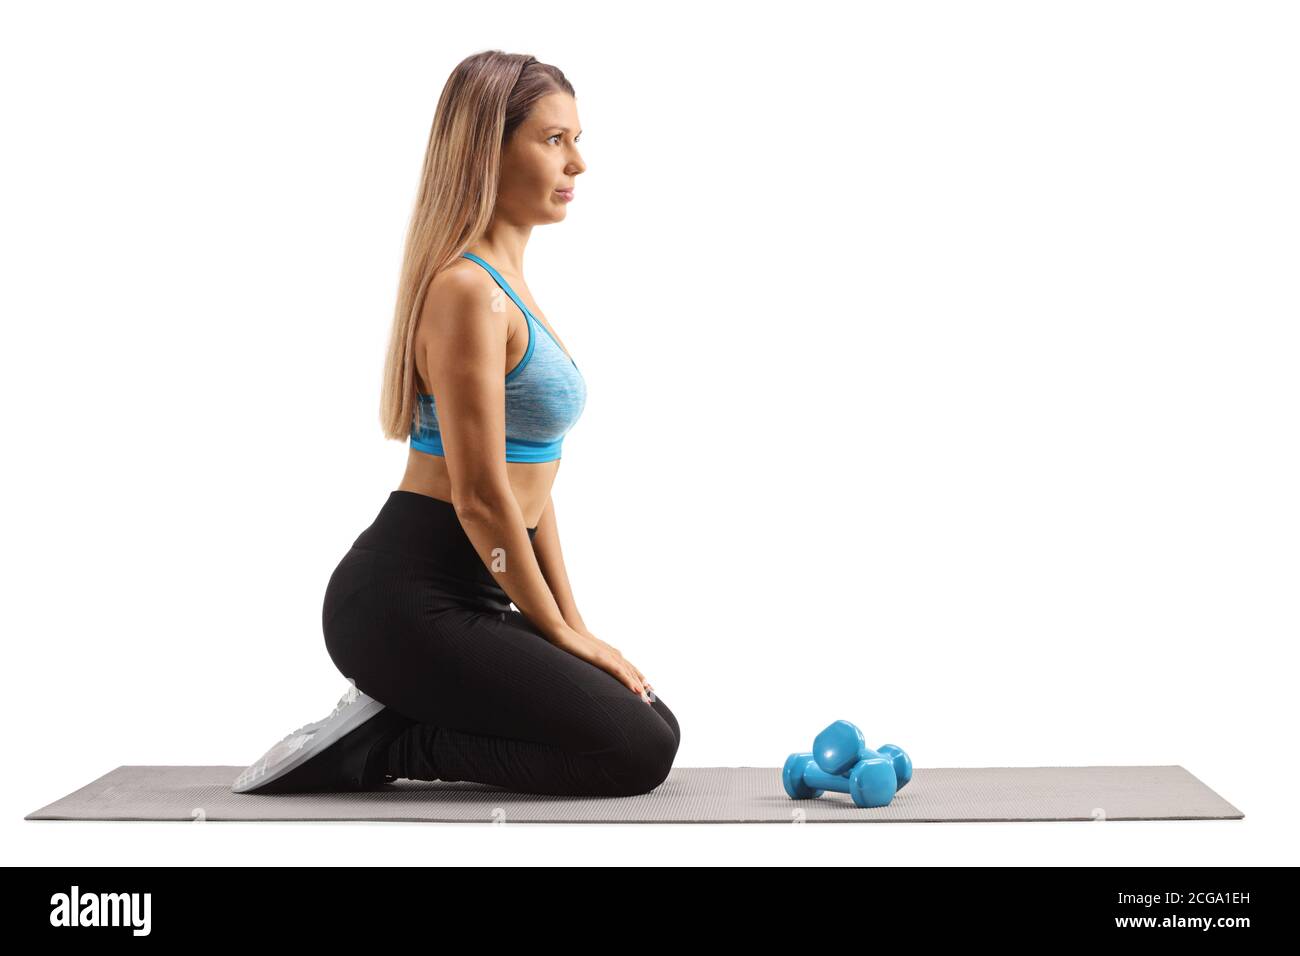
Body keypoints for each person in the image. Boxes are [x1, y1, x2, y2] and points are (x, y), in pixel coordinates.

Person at [232, 51, 680, 798]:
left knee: (652, 725)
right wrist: (559, 634)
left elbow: (535, 490)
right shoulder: (468, 291)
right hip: (402, 598)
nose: (579, 163)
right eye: (553, 140)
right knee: (630, 752)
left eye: (576, 139)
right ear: (487, 150)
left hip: (479, 588)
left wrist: (575, 629)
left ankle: (396, 716)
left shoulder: (512, 290)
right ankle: (385, 745)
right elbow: (479, 497)